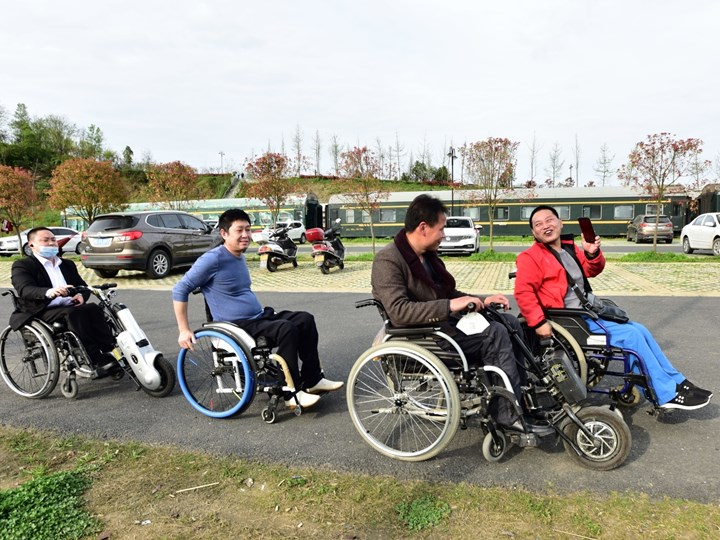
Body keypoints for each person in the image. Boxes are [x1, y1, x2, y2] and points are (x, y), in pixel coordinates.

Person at [514, 205, 713, 410]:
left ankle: (677, 382)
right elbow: (523, 293)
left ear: (560, 222)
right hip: (570, 322)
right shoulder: (530, 258)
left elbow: (593, 270)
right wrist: (538, 323)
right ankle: (666, 393)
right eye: (538, 224)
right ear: (533, 232)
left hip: (588, 314)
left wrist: (592, 254)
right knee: (631, 336)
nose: (545, 226)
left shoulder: (568, 249)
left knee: (640, 329)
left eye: (549, 220)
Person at [371, 194, 536, 431]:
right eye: (442, 228)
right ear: (423, 228)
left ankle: (518, 396)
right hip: (424, 336)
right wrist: (450, 306)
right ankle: (506, 415)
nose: (444, 234)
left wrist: (482, 300)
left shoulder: (426, 256)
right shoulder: (388, 260)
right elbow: (399, 312)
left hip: (443, 327)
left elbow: (449, 292)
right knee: (496, 334)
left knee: (509, 322)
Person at [172, 208, 343, 410]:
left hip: (257, 317)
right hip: (236, 325)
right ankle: (291, 392)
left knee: (305, 319)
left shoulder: (238, 256)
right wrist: (184, 330)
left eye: (248, 229)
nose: (245, 235)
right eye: (239, 230)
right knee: (286, 329)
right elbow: (180, 289)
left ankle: (313, 379)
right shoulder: (212, 259)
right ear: (224, 233)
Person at [10, 227, 118, 378]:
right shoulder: (23, 265)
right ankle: (94, 358)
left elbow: (83, 286)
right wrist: (49, 292)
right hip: (41, 309)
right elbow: (25, 289)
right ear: (31, 245)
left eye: (53, 240)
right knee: (74, 313)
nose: (51, 243)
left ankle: (111, 351)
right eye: (45, 240)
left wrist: (81, 295)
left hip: (69, 306)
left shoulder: (67, 264)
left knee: (94, 308)